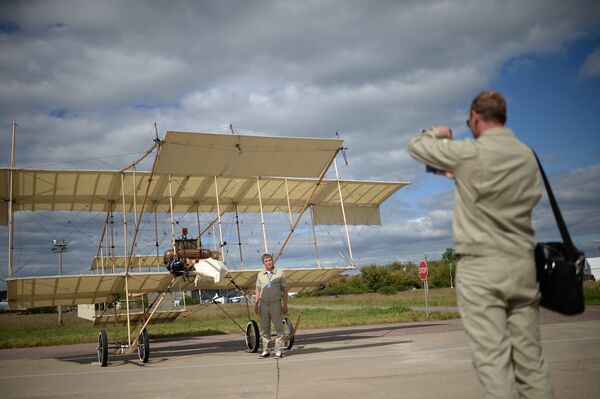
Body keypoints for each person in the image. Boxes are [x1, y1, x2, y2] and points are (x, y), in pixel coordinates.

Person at [408, 91, 553, 398]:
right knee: (531, 363)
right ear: (504, 117)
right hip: (523, 263)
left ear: (475, 116)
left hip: (481, 265)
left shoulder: (468, 153)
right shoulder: (527, 155)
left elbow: (417, 147)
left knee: (493, 363)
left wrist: (439, 133)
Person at [254, 253, 288, 359]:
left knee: (279, 327)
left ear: (272, 261)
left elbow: (285, 290)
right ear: (263, 263)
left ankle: (278, 350)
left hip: (276, 303)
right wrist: (256, 304)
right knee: (264, 328)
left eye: (270, 260)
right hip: (263, 304)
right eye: (266, 261)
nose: (268, 262)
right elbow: (257, 290)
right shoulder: (260, 275)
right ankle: (266, 350)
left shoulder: (280, 273)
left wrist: (285, 305)